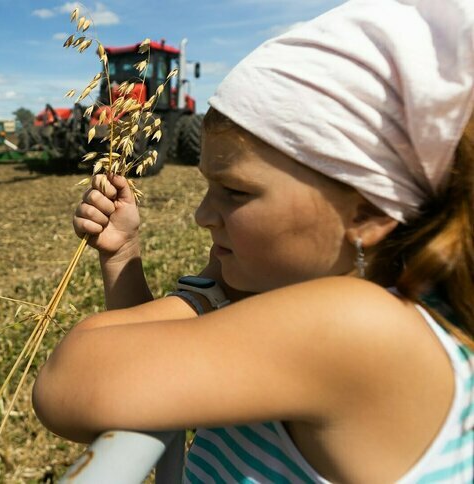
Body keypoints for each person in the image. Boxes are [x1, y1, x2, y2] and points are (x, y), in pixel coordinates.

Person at [31, 0, 474, 482]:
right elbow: (144, 368)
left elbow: (70, 379)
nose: (202, 215)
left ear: (366, 211)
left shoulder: (361, 328)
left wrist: (211, 290)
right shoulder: (342, 310)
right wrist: (123, 256)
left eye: (235, 191)